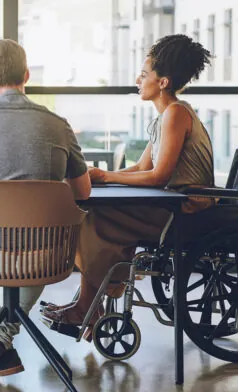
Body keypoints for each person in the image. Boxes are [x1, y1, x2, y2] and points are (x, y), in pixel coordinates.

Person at [41, 34, 215, 339]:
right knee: (93, 210)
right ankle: (90, 303)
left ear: (163, 82)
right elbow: (140, 169)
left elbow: (159, 176)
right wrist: (103, 176)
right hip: (172, 204)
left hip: (184, 210)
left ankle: (88, 306)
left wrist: (107, 178)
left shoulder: (176, 114)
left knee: (90, 218)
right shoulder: (166, 116)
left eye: (145, 74)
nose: (138, 79)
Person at [0, 39, 92, 379]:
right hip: (45, 256)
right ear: (26, 75)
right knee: (45, 233)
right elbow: (82, 191)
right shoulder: (58, 124)